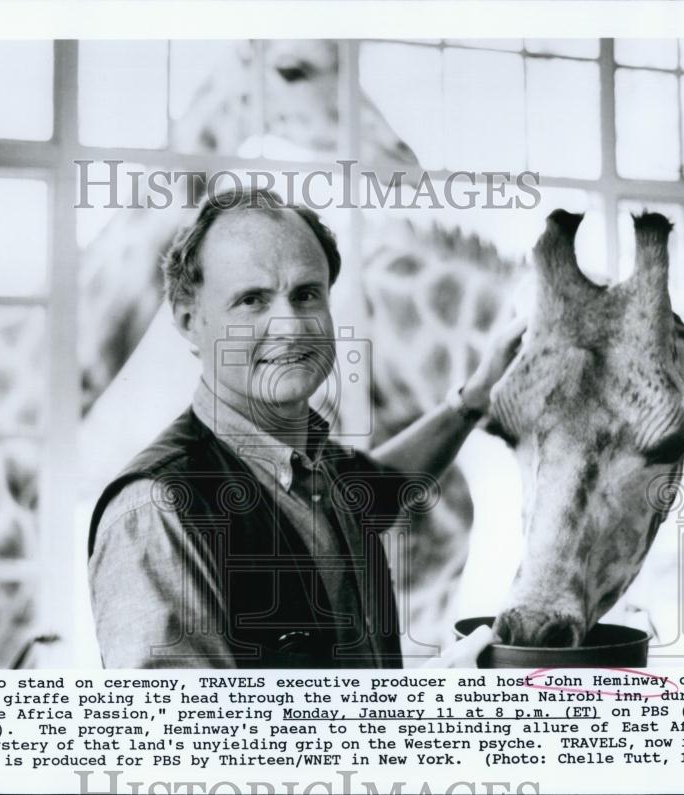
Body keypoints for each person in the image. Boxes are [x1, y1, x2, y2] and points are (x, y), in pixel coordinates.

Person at [88, 187, 524, 669]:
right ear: (190, 322)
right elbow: (184, 740)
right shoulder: (155, 513)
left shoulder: (315, 467)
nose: (291, 326)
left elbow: (387, 485)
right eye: (252, 300)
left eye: (306, 295)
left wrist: (471, 400)